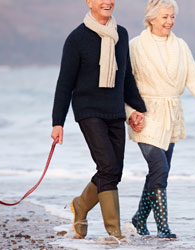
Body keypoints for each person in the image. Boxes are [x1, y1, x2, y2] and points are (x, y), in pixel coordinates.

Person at [50, 0, 147, 240]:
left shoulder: (121, 35)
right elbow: (65, 83)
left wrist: (139, 109)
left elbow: (126, 77)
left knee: (114, 172)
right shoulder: (77, 39)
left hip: (114, 111)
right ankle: (114, 232)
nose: (108, 2)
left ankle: (80, 206)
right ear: (90, 2)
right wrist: (57, 122)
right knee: (108, 167)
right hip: (88, 111)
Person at [126, 0, 195, 239]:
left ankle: (139, 218)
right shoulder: (135, 46)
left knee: (159, 172)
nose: (169, 21)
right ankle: (163, 228)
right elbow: (125, 84)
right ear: (151, 19)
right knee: (160, 167)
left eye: (172, 17)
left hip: (171, 115)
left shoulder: (180, 46)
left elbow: (194, 77)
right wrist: (129, 113)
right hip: (145, 114)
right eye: (164, 17)